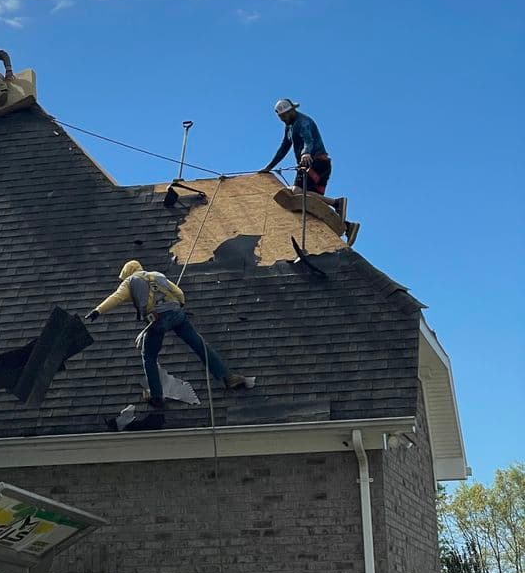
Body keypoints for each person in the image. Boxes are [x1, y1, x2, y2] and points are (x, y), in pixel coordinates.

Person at [84, 260, 252, 409]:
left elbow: (116, 298)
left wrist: (97, 311)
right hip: (177, 313)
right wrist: (180, 305)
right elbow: (178, 292)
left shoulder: (130, 281)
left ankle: (156, 397)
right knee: (198, 344)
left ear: (127, 273)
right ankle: (227, 377)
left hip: (157, 320)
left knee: (148, 356)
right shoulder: (156, 275)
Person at [261, 100, 355, 232]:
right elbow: (284, 148)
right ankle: (347, 226)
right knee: (311, 204)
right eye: (280, 118)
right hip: (321, 165)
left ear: (291, 111)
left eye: (284, 116)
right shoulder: (290, 126)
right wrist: (269, 167)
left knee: (296, 192)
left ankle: (336, 203)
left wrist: (305, 154)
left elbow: (308, 140)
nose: (283, 120)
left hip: (315, 162)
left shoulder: (303, 123)